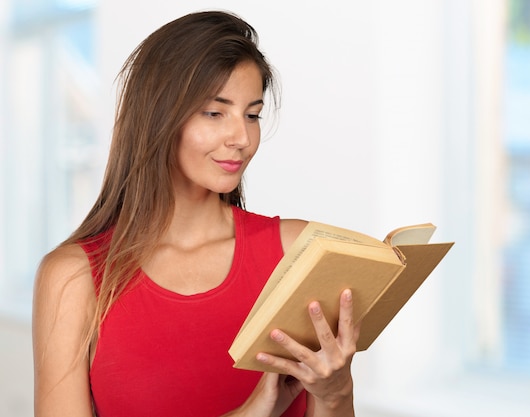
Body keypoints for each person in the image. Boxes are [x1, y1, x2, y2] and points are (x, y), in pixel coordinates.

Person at [32, 10, 359, 417]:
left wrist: (335, 394)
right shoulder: (74, 278)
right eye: (214, 112)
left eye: (252, 115)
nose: (242, 138)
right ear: (158, 117)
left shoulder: (299, 250)